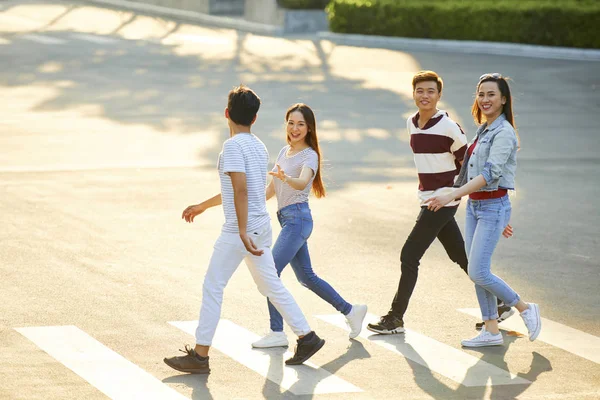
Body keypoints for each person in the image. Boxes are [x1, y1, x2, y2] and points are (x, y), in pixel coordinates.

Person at [163, 86, 325, 373]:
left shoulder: (232, 147)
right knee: (270, 285)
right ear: (255, 118)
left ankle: (200, 356)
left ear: (227, 114)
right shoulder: (258, 145)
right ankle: (307, 336)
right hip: (260, 224)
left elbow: (240, 191)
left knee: (213, 285)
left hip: (242, 229)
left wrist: (240, 231)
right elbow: (242, 190)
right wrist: (203, 205)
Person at [367, 71, 514, 335]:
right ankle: (501, 302)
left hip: (443, 201)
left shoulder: (449, 128)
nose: (425, 96)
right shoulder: (411, 123)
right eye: (420, 91)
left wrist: (458, 195)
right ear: (413, 94)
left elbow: (471, 165)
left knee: (409, 254)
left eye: (430, 91)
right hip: (427, 198)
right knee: (461, 256)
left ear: (439, 95)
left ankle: (395, 317)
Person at [425, 73, 541, 347]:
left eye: (491, 94)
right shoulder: (484, 129)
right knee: (479, 268)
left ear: (503, 99)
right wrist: (450, 192)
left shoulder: (504, 133)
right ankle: (491, 330)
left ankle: (524, 308)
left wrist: (452, 195)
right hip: (477, 207)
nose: (485, 99)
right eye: (481, 94)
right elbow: (468, 171)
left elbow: (490, 175)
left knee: (477, 271)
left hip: (491, 205)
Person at [251, 103, 368, 349]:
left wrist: (286, 178)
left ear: (309, 128)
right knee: (307, 277)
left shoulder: (309, 155)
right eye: (291, 123)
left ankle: (277, 332)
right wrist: (248, 204)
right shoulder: (285, 152)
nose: (295, 128)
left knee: (270, 272)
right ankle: (351, 311)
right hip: (288, 220)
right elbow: (271, 190)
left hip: (298, 220)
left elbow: (303, 181)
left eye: (301, 124)